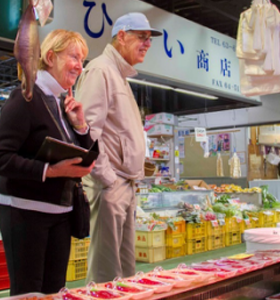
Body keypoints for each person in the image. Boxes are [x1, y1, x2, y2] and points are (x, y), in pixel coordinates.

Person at [0, 29, 93, 295]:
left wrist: (81, 126)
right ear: (50, 57)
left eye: (83, 59)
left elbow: (81, 154)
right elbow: (2, 157)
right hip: (26, 214)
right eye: (74, 56)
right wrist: (49, 171)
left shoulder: (61, 102)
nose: (79, 66)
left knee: (55, 291)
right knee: (30, 293)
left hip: (61, 214)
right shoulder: (25, 98)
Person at [75, 12, 162, 283]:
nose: (147, 43)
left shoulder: (119, 74)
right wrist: (108, 180)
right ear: (121, 36)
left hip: (126, 185)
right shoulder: (101, 70)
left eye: (150, 39)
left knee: (125, 272)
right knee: (106, 272)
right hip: (110, 186)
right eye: (142, 37)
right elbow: (86, 132)